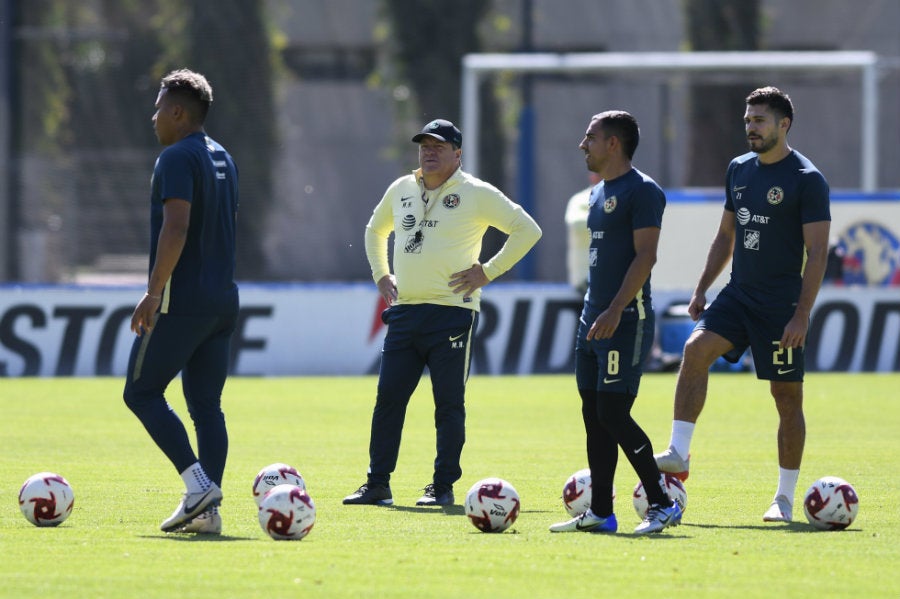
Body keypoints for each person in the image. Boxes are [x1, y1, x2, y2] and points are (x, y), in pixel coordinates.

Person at [654, 86, 831, 523]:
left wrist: (801, 314)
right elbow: (725, 236)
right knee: (695, 351)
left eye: (759, 120)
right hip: (738, 294)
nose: (750, 127)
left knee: (786, 398)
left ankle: (784, 499)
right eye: (748, 120)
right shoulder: (738, 169)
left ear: (783, 124)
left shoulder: (807, 179)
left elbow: (819, 253)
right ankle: (679, 451)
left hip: (781, 305)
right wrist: (701, 289)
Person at [344, 118, 542, 507]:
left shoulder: (475, 193)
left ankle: (442, 486)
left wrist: (487, 271)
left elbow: (527, 229)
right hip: (405, 313)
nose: (429, 152)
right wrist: (382, 274)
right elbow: (374, 230)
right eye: (424, 146)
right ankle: (377, 483)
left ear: (457, 154)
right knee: (388, 401)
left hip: (452, 313)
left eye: (438, 146)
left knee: (448, 404)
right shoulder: (402, 188)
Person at [549, 111, 682, 535]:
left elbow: (646, 256)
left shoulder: (643, 191)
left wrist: (614, 310)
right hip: (593, 318)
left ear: (613, 144)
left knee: (613, 411)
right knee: (593, 414)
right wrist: (596, 310)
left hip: (625, 320)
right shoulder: (596, 194)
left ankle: (661, 503)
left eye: (590, 136)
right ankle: (601, 512)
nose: (581, 144)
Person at [123, 69, 240, 534]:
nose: (153, 118)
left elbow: (177, 227)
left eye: (158, 108)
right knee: (206, 406)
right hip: (223, 301)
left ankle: (198, 486)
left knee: (141, 392)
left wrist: (153, 293)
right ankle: (207, 513)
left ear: (177, 112)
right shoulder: (223, 156)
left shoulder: (175, 157)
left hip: (182, 300)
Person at [565, 171, 603, 294]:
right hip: (585, 277)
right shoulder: (580, 199)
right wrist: (607, 218)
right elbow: (576, 224)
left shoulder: (621, 197)